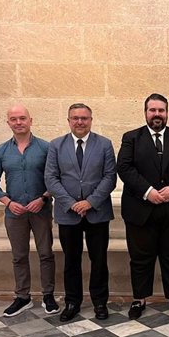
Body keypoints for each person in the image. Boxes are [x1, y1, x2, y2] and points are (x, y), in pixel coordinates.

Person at [117, 94, 169, 320]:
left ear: (167, 113)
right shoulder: (131, 138)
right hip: (141, 210)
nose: (157, 115)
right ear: (145, 113)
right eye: (152, 110)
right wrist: (148, 191)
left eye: (161, 110)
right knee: (141, 258)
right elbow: (124, 168)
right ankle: (139, 298)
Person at [44, 103, 116, 322]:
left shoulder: (104, 144)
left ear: (91, 120)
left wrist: (90, 202)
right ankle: (72, 302)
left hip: (97, 212)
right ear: (68, 121)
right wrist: (71, 203)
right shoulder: (56, 145)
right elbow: (51, 178)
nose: (80, 122)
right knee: (71, 261)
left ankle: (100, 302)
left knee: (99, 259)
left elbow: (110, 177)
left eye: (84, 118)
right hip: (68, 214)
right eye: (75, 118)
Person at [0, 105, 58, 317]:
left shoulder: (46, 148)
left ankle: (48, 295)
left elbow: (57, 179)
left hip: (41, 210)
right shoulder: (1, 151)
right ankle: (23, 297)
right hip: (14, 212)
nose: (18, 122)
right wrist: (8, 202)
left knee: (46, 253)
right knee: (19, 256)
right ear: (8, 122)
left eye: (22, 118)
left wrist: (44, 197)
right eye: (13, 119)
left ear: (30, 120)